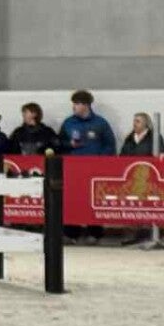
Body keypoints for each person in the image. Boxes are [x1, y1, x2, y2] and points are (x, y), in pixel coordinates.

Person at [57, 90, 115, 241]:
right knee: (72, 200)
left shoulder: (100, 123)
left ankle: (95, 233)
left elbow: (110, 145)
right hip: (73, 169)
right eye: (74, 104)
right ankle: (71, 233)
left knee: (93, 200)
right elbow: (59, 143)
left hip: (94, 170)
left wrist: (101, 161)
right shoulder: (68, 123)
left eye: (77, 104)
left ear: (86, 105)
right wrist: (69, 144)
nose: (74, 107)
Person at [117, 113, 162, 244]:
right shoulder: (129, 138)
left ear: (146, 124)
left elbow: (160, 156)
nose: (134, 124)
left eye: (138, 121)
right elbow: (122, 155)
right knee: (131, 205)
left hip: (148, 177)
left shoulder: (154, 138)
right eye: (134, 121)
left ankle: (145, 234)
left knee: (146, 205)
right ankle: (131, 235)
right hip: (130, 177)